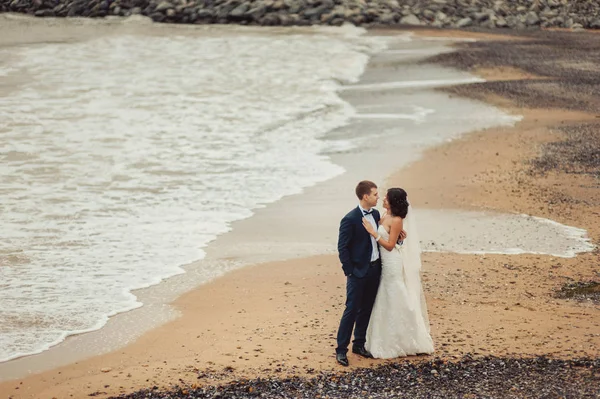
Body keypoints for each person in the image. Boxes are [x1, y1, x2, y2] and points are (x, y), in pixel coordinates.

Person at [362, 188, 434, 358]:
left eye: (386, 197)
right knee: (385, 294)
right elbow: (394, 239)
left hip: (392, 261)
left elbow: (390, 245)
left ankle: (403, 339)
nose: (383, 199)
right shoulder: (384, 216)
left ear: (393, 201)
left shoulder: (397, 220)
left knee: (394, 291)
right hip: (384, 261)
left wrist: (374, 234)